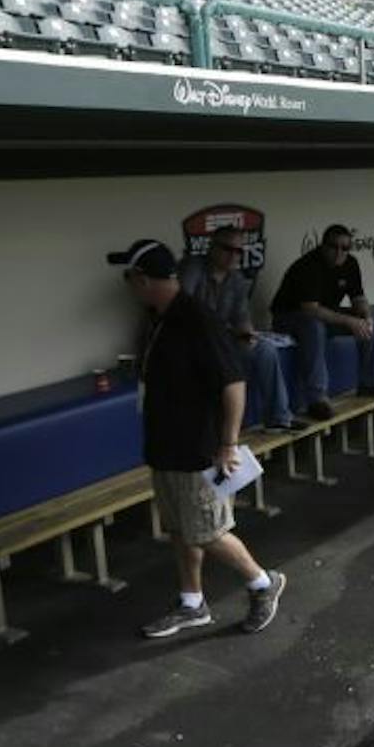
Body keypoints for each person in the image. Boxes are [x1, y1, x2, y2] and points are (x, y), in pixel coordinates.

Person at [105, 239, 287, 639]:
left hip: (197, 449)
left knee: (208, 531)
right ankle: (192, 603)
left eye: (129, 277)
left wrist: (227, 444)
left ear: (143, 278)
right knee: (180, 528)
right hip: (165, 446)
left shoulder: (195, 318)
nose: (128, 285)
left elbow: (234, 382)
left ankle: (263, 583)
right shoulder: (161, 317)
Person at [269, 224, 374, 421]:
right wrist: (350, 322)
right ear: (322, 246)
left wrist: (366, 316)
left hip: (323, 313)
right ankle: (317, 400)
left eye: (344, 248)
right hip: (289, 316)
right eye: (333, 246)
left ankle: (370, 383)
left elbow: (358, 297)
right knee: (315, 327)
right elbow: (310, 308)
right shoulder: (309, 265)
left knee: (373, 320)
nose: (339, 252)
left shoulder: (350, 263)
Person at [181, 226, 295, 432]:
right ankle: (221, 434)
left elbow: (241, 317)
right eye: (228, 249)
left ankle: (278, 418)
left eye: (239, 251)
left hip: (222, 341)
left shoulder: (236, 279)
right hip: (191, 343)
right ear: (212, 247)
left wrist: (247, 334)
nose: (234, 255)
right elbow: (183, 311)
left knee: (265, 350)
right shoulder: (193, 268)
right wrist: (224, 331)